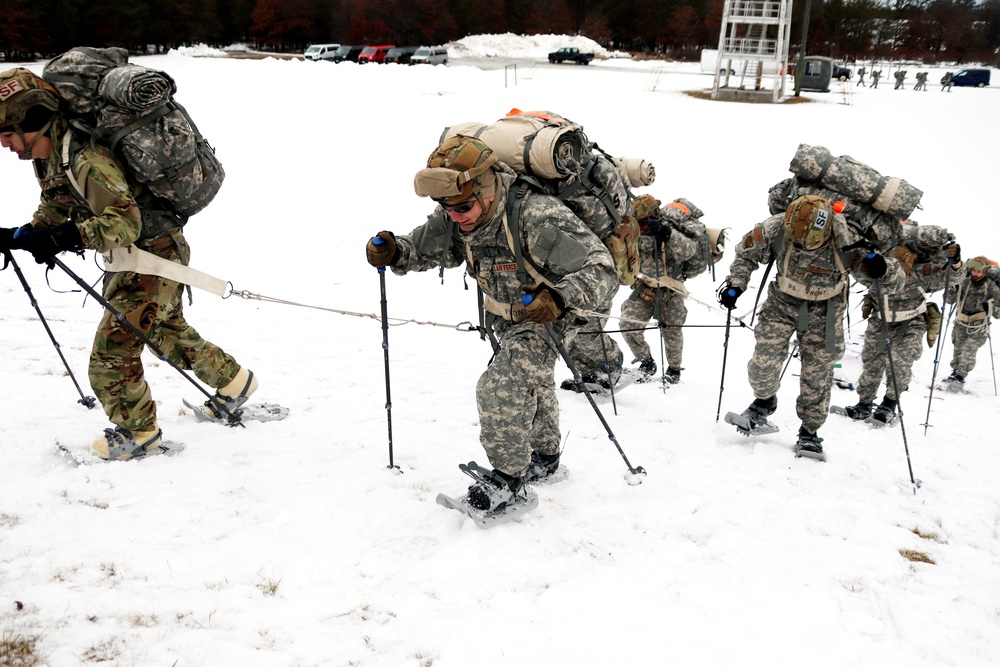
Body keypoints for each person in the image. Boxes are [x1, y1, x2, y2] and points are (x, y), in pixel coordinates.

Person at [0, 68, 258, 461]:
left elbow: (124, 221)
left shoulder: (85, 157)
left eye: (6, 133)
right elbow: (56, 201)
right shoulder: (53, 153)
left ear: (30, 121)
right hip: (140, 254)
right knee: (168, 333)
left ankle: (139, 434)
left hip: (152, 257)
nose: (4, 144)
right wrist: (25, 234)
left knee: (112, 353)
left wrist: (69, 237)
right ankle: (235, 383)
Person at [365, 136, 618, 513]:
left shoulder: (536, 215)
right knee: (531, 380)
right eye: (445, 207)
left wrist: (561, 297)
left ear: (485, 186)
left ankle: (509, 481)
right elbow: (425, 246)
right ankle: (545, 457)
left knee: (501, 387)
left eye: (463, 206)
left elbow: (602, 270)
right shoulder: (458, 211)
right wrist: (395, 250)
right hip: (505, 316)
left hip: (555, 311)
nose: (454, 215)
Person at [718, 195, 904, 459]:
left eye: (809, 239)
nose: (803, 243)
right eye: (797, 238)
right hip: (782, 303)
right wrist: (735, 284)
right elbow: (746, 254)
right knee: (762, 365)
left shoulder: (847, 240)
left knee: (817, 377)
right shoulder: (777, 226)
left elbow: (894, 284)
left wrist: (883, 269)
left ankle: (809, 432)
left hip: (824, 312)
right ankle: (764, 402)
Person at [844, 224, 963, 423]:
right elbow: (855, 268)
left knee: (900, 364)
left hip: (911, 322)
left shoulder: (923, 272)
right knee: (872, 363)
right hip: (880, 320)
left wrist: (956, 262)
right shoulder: (876, 264)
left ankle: (889, 404)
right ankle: (864, 403)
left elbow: (953, 277)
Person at [619, 194, 700, 384]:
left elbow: (689, 251)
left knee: (672, 331)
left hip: (672, 290)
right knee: (628, 323)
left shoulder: (670, 231)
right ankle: (646, 361)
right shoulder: (635, 229)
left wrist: (667, 234)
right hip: (645, 287)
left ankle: (674, 370)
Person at [942, 255, 1000, 389]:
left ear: (985, 272)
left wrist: (991, 307)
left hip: (978, 327)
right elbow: (949, 300)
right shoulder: (964, 282)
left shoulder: (992, 288)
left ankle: (960, 376)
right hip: (961, 323)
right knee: (958, 349)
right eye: (973, 270)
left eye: (979, 271)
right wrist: (953, 290)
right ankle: (955, 372)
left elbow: (998, 314)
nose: (975, 273)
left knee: (968, 350)